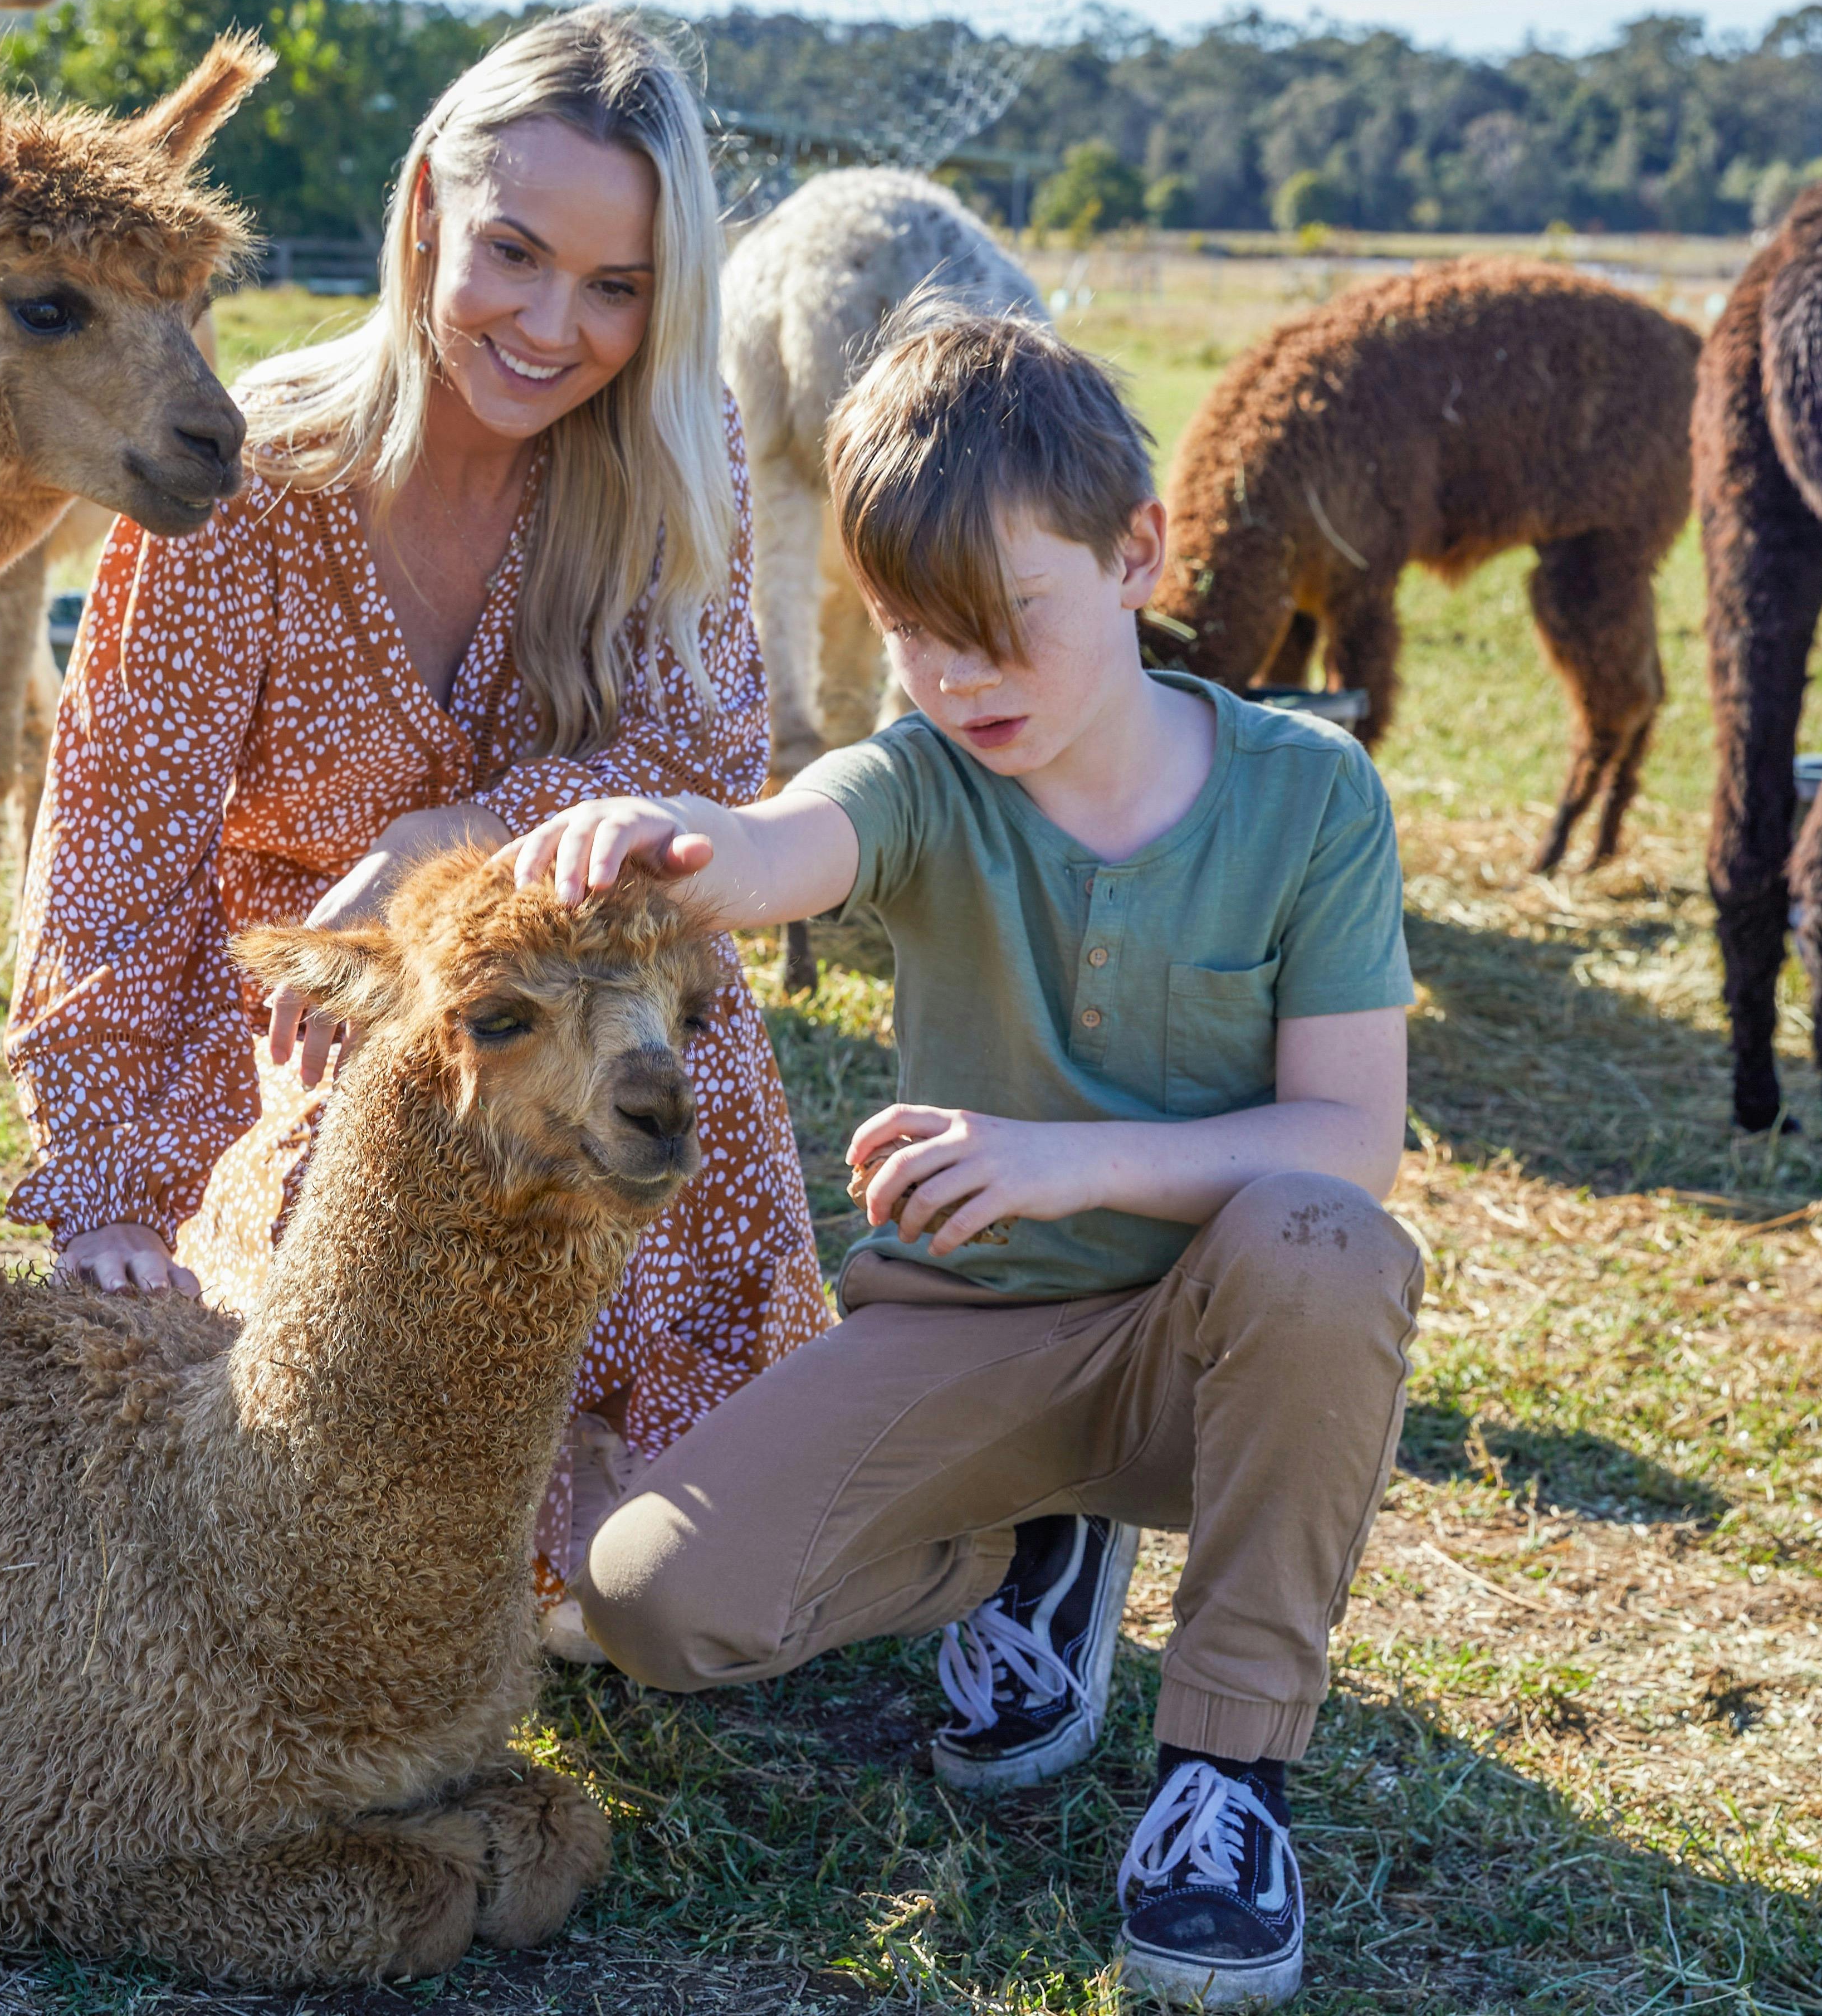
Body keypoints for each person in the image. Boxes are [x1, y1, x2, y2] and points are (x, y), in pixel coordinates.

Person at [505, 311, 1420, 2010]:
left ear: (1137, 552)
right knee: (651, 1605)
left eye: (1003, 627)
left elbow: (1352, 1140)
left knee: (1324, 1240)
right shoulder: (931, 779)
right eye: (917, 637)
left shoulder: (1312, 796)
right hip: (961, 1339)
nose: (962, 681)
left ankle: (1225, 1777)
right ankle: (1031, 1553)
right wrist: (675, 849)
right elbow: (795, 839)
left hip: (1210, 1348)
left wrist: (1067, 1163)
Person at [2, 6, 830, 1622]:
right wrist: (106, 1180)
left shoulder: (679, 452)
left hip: (603, 1016)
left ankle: (636, 1483)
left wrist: (467, 832)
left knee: (681, 1576)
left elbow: (716, 756)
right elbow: (118, 841)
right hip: (333, 1039)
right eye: (513, 253)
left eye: (618, 288)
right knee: (344, 1500)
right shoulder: (247, 482)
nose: (550, 325)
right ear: (424, 218)